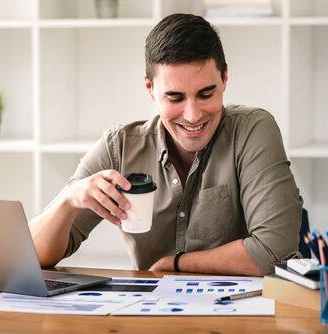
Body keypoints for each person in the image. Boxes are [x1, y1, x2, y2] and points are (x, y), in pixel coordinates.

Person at [30, 13, 302, 276]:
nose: (193, 115)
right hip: (154, 316)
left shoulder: (252, 130)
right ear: (150, 89)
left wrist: (176, 264)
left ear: (225, 78)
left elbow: (273, 250)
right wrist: (69, 200)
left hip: (245, 314)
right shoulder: (120, 147)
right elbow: (32, 255)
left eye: (206, 94)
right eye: (175, 98)